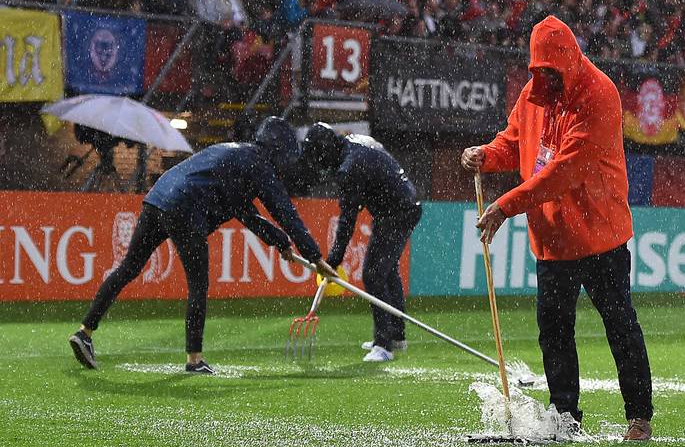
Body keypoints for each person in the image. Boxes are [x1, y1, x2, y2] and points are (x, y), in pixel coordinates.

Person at [461, 15, 654, 441]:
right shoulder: (534, 95)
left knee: (620, 325)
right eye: (538, 72)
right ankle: (564, 417)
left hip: (601, 236)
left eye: (550, 72)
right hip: (553, 240)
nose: (544, 80)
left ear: (566, 62)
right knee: (553, 332)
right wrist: (485, 155)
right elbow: (512, 141)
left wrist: (504, 206)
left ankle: (639, 416)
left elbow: (564, 171)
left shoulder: (600, 95)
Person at [68, 117, 337, 374]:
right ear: (278, 150)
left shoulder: (235, 155)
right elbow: (285, 212)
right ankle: (194, 359)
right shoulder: (259, 165)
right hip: (186, 209)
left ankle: (85, 331)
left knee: (128, 268)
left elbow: (245, 212)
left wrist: (280, 243)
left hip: (157, 199)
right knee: (198, 285)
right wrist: (316, 258)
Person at [299, 124, 422, 362]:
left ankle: (384, 345)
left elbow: (347, 222)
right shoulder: (356, 143)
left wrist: (332, 262)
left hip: (396, 212)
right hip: (402, 206)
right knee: (387, 273)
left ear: (324, 153)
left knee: (374, 275)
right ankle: (396, 335)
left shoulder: (349, 167)